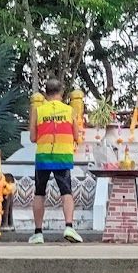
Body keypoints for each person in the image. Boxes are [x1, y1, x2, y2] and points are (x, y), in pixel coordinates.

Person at [29, 78, 83, 244]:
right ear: (62, 93)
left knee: (39, 192)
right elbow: (76, 136)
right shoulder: (69, 111)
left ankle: (38, 233)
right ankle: (69, 226)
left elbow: (32, 137)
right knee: (66, 191)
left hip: (44, 155)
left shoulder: (38, 111)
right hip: (62, 155)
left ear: (45, 93)